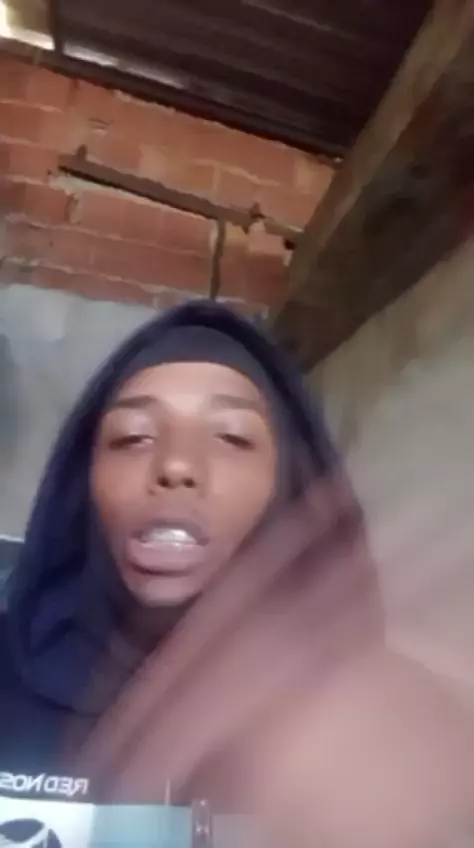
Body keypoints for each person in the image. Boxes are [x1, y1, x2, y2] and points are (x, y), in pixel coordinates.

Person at [0, 299, 472, 846]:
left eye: (231, 437)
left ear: (287, 486)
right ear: (82, 486)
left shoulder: (387, 722)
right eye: (132, 437)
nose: (177, 465)